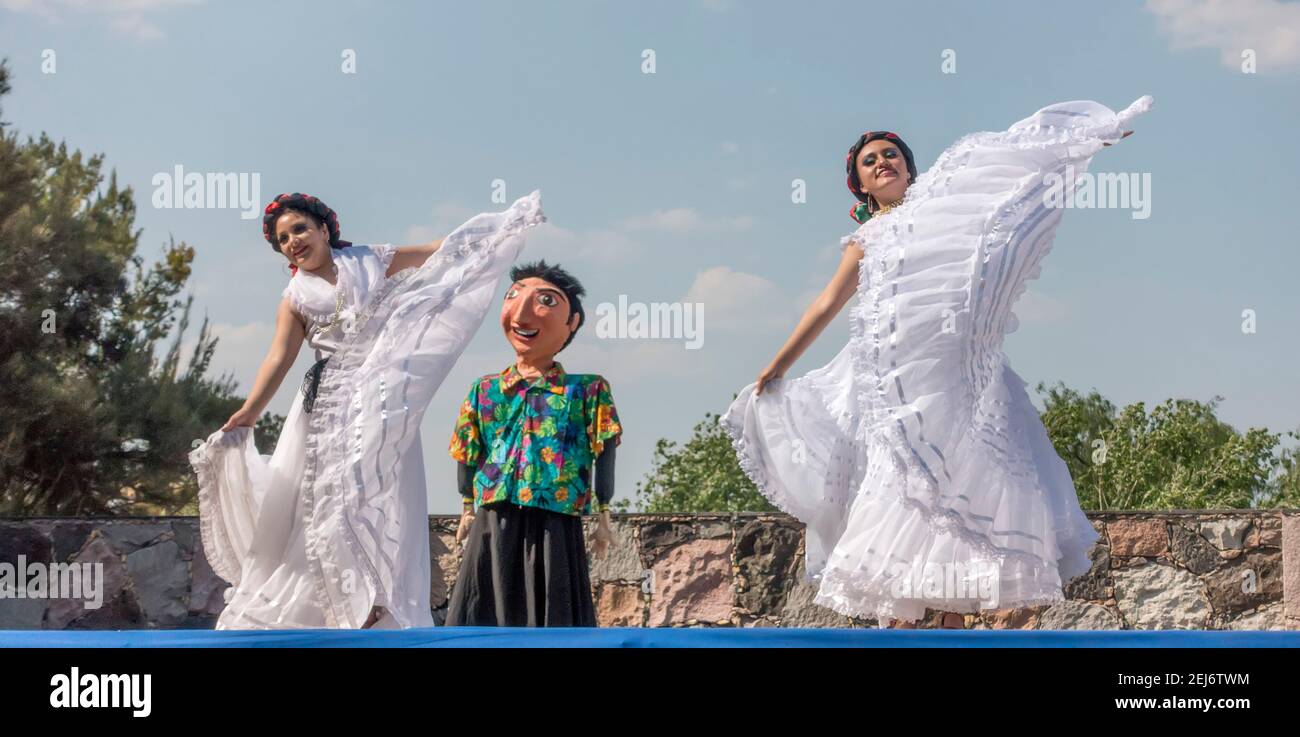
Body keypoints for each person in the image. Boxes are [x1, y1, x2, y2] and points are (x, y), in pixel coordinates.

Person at [721, 97, 1151, 628]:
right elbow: (827, 303)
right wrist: (777, 365)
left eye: (892, 154)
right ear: (861, 185)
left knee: (964, 480)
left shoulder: (945, 215)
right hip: (896, 382)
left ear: (907, 165)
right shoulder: (866, 239)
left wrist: (1087, 142)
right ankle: (906, 627)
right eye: (870, 161)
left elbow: (1010, 183)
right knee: (907, 484)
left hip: (956, 373)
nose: (884, 162)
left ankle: (949, 624)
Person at [188, 190, 544, 629]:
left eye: (299, 229)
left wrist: (502, 228)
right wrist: (249, 411)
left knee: (379, 497)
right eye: (283, 239)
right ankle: (334, 605)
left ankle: (376, 600)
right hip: (324, 411)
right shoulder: (295, 296)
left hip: (381, 406)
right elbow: (278, 358)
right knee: (323, 504)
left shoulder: (370, 260)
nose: (293, 240)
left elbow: (437, 253)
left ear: (323, 229)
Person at [446, 260, 622, 626]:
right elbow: (468, 451)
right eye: (514, 296)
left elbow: (604, 447)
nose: (524, 311)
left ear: (571, 323)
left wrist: (604, 512)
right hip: (495, 513)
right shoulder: (486, 390)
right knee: (487, 608)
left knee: (553, 610)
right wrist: (466, 505)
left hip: (555, 514)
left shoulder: (587, 389)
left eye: (546, 301)